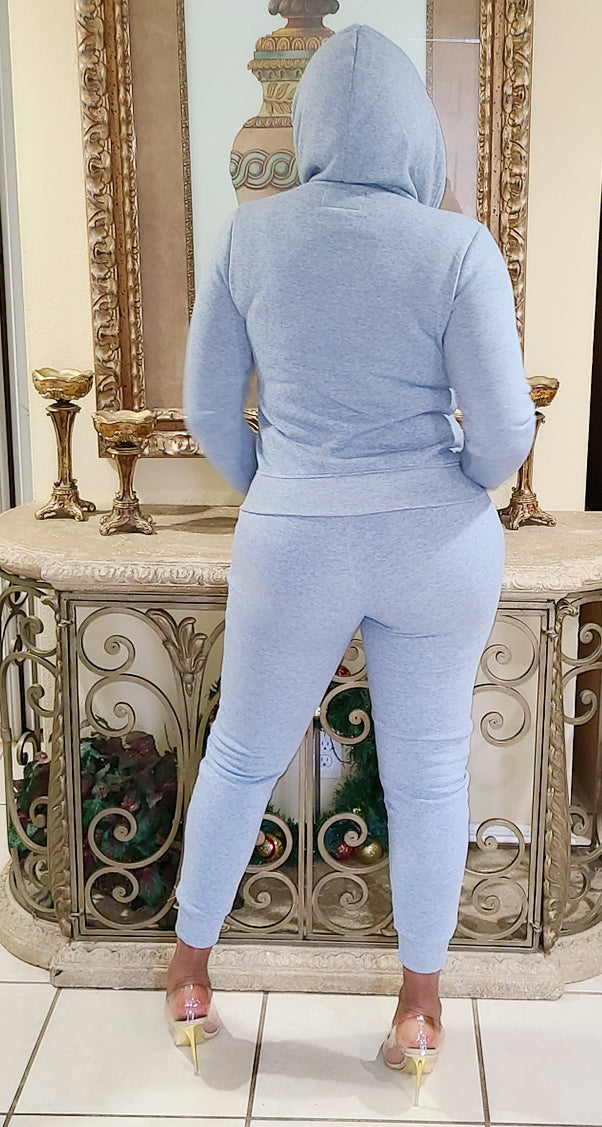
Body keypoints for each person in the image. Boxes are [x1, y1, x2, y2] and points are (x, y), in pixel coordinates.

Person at [164, 23, 536, 1099]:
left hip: (296, 538)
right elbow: (505, 434)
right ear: (414, 130)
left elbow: (207, 410)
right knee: (428, 774)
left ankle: (190, 975)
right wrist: (452, 475)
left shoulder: (252, 236)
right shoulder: (456, 248)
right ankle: (418, 1006)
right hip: (436, 544)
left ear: (311, 124)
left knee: (242, 755)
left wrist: (281, 486)